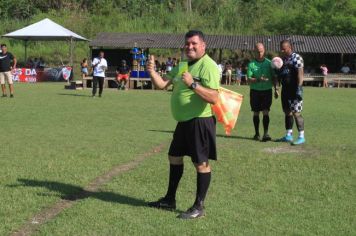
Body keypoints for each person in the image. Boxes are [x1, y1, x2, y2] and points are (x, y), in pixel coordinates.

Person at [147, 30, 219, 219]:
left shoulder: (208, 66)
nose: (190, 47)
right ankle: (170, 200)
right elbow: (162, 85)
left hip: (200, 121)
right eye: (187, 44)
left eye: (194, 43)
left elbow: (214, 97)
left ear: (203, 45)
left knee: (201, 163)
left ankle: (199, 206)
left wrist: (193, 85)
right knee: (174, 156)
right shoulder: (183, 65)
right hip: (184, 122)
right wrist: (152, 71)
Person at [276, 39, 305, 145]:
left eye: (284, 49)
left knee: (296, 113)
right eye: (281, 49)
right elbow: (279, 74)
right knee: (287, 112)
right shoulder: (282, 60)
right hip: (285, 90)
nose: (282, 50)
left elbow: (300, 73)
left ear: (289, 47)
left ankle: (301, 136)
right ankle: (288, 135)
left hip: (294, 90)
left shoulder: (296, 58)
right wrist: (277, 88)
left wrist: (299, 88)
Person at [247, 42, 277, 141]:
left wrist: (276, 89)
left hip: (267, 91)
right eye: (258, 52)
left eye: (261, 51)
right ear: (254, 52)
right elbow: (249, 79)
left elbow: (274, 77)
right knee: (256, 112)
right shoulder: (251, 64)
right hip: (255, 91)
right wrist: (258, 79)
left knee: (266, 112)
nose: (260, 53)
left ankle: (266, 134)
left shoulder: (269, 63)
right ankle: (256, 134)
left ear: (264, 51)